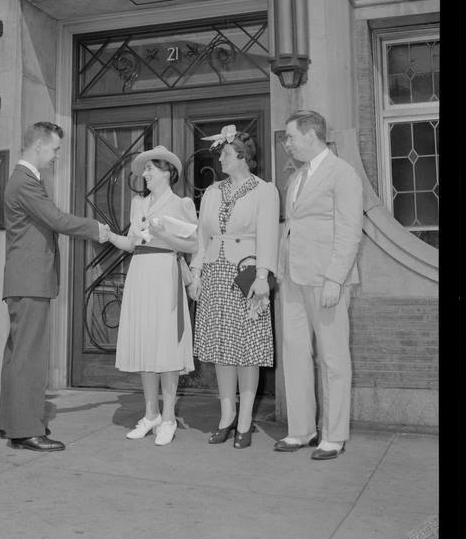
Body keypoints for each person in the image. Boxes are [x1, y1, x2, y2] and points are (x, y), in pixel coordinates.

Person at [0, 122, 109, 452]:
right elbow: (58, 220)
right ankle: (27, 431)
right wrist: (100, 230)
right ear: (38, 146)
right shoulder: (25, 182)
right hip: (30, 280)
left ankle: (12, 424)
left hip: (24, 279)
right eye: (55, 149)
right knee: (29, 357)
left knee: (17, 355)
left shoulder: (24, 180)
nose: (57, 155)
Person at [274, 110, 363, 460]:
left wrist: (334, 279)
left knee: (333, 357)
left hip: (326, 280)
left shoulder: (343, 174)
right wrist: (280, 269)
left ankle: (334, 435)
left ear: (311, 135)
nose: (287, 143)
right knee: (295, 353)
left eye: (291, 136)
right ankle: (301, 429)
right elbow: (291, 227)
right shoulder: (295, 179)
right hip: (294, 279)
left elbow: (349, 232)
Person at [188, 126, 279, 449]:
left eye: (226, 154)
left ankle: (245, 421)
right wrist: (196, 273)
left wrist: (262, 277)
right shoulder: (212, 191)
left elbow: (269, 235)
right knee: (220, 349)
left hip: (246, 274)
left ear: (242, 156)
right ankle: (226, 416)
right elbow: (202, 236)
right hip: (214, 272)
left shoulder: (264, 190)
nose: (221, 158)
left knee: (247, 350)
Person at [108, 146, 198, 446]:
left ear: (167, 172)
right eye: (144, 168)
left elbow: (193, 245)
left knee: (166, 344)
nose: (144, 174)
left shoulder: (182, 203)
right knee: (146, 341)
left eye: (150, 169)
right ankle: (151, 414)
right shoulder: (138, 204)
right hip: (141, 272)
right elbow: (134, 243)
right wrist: (109, 236)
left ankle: (169, 417)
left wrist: (163, 235)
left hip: (165, 274)